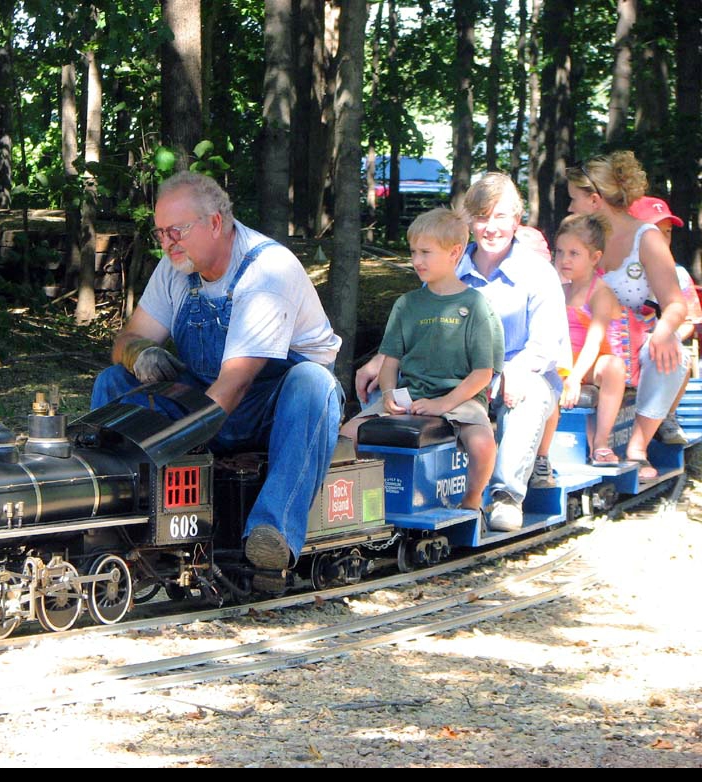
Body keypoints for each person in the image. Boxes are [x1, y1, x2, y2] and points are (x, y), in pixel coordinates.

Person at [90, 172, 342, 591]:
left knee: (313, 383)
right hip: (209, 400)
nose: (167, 242)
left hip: (272, 410)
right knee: (115, 384)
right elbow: (127, 339)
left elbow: (236, 384)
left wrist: (175, 438)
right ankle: (122, 522)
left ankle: (272, 535)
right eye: (160, 232)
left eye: (177, 230)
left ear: (215, 222)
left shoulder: (267, 271)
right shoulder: (174, 271)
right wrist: (140, 354)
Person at [354, 173, 568, 531]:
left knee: (526, 396)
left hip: (517, 374)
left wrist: (514, 370)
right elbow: (420, 326)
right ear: (469, 221)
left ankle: (506, 495)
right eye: (482, 217)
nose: (491, 227)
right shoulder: (449, 264)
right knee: (378, 387)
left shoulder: (538, 273)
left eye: (500, 217)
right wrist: (379, 361)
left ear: (516, 220)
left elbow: (546, 347)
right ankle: (390, 489)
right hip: (451, 376)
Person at [340, 208, 503, 510]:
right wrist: (388, 393)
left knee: (482, 445)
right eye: (414, 252)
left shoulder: (476, 306)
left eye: (426, 253)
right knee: (345, 439)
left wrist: (443, 405)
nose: (417, 261)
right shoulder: (407, 304)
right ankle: (367, 505)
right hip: (412, 395)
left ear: (455, 252)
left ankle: (471, 500)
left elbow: (483, 373)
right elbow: (391, 362)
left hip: (462, 398)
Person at [566, 153, 688, 480]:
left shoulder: (645, 238)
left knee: (671, 353)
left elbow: (676, 303)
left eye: (573, 199)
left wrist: (663, 333)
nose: (569, 208)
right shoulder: (578, 237)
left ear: (594, 200)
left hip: (629, 340)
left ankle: (638, 445)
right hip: (582, 337)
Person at [627, 195, 702, 444]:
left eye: (666, 232)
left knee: (677, 353)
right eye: (652, 232)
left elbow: (690, 321)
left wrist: (667, 336)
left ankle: (666, 415)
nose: (661, 240)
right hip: (623, 343)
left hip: (657, 344)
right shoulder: (617, 269)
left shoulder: (677, 273)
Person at [553, 214, 626, 464]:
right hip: (563, 362)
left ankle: (601, 442)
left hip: (591, 364)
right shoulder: (558, 289)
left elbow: (594, 342)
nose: (564, 259)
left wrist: (574, 378)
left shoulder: (600, 293)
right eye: (560, 252)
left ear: (595, 258)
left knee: (615, 367)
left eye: (574, 253)